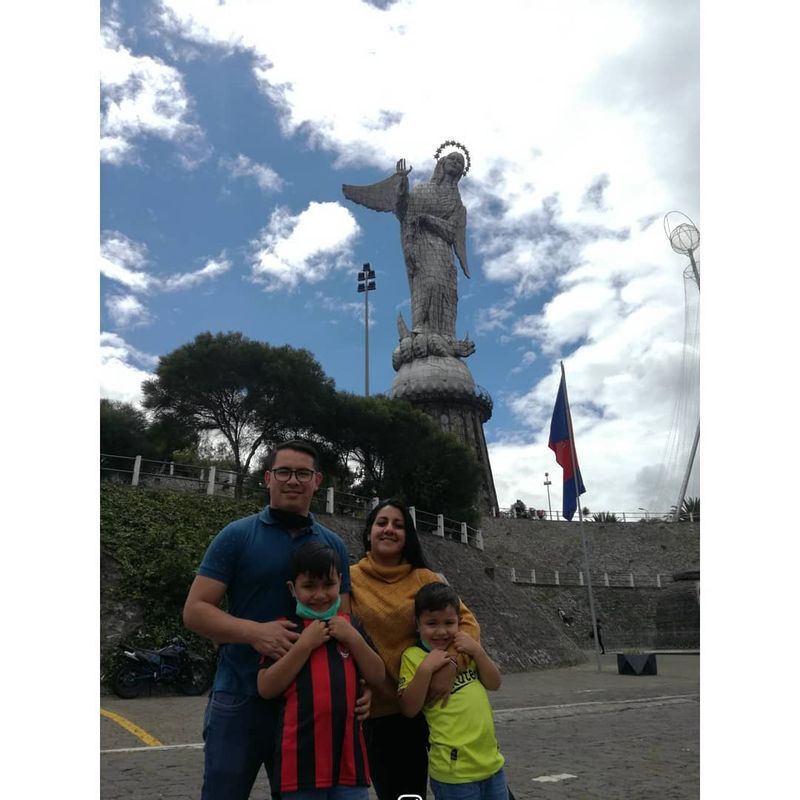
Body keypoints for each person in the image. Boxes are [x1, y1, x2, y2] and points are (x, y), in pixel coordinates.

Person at [183, 440, 367, 800]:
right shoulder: (237, 535)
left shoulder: (334, 546)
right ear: (268, 478)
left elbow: (343, 623)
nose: (293, 480)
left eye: (303, 473)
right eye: (284, 472)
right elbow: (195, 610)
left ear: (317, 481)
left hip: (312, 706)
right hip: (241, 696)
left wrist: (364, 685)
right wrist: (254, 632)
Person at [349, 499, 481, 800]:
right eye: (382, 523)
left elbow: (467, 623)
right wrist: (361, 685)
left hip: (438, 703)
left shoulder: (425, 578)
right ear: (369, 531)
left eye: (398, 524)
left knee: (474, 784)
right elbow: (344, 636)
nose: (389, 529)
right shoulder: (350, 578)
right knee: (403, 795)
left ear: (408, 535)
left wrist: (452, 665)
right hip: (385, 713)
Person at [258, 541, 385, 799]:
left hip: (351, 767)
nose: (319, 594)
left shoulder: (352, 626)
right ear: (292, 589)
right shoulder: (286, 630)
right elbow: (266, 687)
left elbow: (378, 675)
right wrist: (304, 645)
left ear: (340, 582)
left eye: (328, 585)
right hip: (300, 771)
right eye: (309, 586)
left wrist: (354, 639)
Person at [342, 147, 471, 357]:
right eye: (453, 158)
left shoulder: (458, 205)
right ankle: (421, 328)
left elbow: (451, 232)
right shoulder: (422, 190)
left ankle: (445, 335)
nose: (456, 162)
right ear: (443, 163)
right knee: (429, 284)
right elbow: (404, 212)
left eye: (460, 162)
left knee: (447, 291)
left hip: (443, 251)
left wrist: (429, 219)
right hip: (421, 247)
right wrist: (402, 183)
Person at [398, 583, 508, 800]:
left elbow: (495, 683)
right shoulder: (413, 656)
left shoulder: (466, 652)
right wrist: (426, 669)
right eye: (431, 623)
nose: (441, 631)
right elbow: (409, 709)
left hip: (491, 762)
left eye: (449, 623)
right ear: (417, 625)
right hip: (454, 771)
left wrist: (478, 651)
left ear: (459, 622)